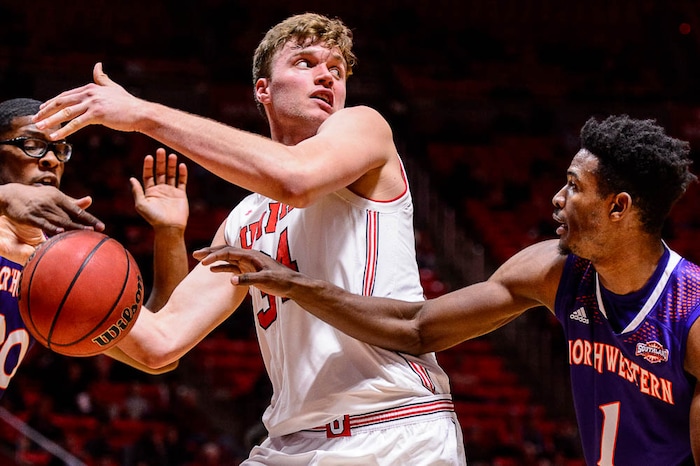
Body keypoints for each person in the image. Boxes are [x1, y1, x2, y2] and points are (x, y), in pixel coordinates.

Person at [33, 13, 466, 464]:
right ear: (264, 90)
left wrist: (142, 114)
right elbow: (161, 341)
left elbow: (295, 179)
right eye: (305, 62)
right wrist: (37, 262)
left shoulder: (365, 127)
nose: (326, 76)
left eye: (336, 70)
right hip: (291, 442)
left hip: (391, 425)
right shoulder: (245, 219)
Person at [197, 114, 700, 465]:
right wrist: (294, 284)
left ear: (619, 207)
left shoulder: (690, 314)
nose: (557, 198)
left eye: (573, 186)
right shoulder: (554, 271)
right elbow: (417, 327)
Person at [0, 97, 190, 395]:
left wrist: (169, 234)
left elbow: (160, 351)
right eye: (32, 145)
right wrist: (5, 195)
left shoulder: (55, 264)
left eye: (59, 149)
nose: (50, 159)